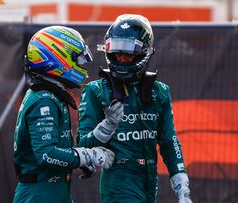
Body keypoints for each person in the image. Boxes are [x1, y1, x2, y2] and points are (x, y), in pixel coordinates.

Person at [77, 14, 192, 203]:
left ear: (144, 51)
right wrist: (106, 127)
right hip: (118, 182)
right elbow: (82, 145)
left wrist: (182, 184)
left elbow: (169, 141)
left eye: (128, 53)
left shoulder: (160, 91)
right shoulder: (96, 90)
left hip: (149, 179)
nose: (121, 59)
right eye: (117, 52)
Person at [12, 25, 115, 203]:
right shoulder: (45, 100)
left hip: (54, 190)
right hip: (40, 194)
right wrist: (86, 156)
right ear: (58, 57)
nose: (82, 65)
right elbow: (46, 155)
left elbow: (52, 148)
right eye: (78, 59)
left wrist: (79, 161)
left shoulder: (49, 95)